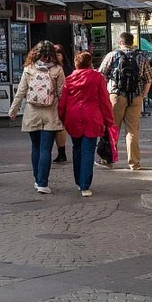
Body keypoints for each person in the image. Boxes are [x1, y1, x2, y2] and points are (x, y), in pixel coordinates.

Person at [8, 40, 65, 194]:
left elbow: (21, 91)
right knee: (46, 149)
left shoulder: (29, 69)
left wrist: (13, 110)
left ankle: (36, 178)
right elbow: (61, 94)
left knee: (36, 147)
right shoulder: (57, 70)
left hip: (31, 113)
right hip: (51, 113)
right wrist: (64, 113)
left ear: (36, 53)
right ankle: (42, 182)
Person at [58, 52, 115, 197]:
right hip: (92, 117)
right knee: (88, 151)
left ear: (76, 63)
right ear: (90, 63)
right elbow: (104, 100)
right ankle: (85, 184)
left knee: (77, 149)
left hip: (73, 117)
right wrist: (109, 120)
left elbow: (63, 101)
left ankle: (78, 181)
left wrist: (62, 118)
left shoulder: (69, 79)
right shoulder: (97, 78)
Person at [99, 32, 152, 171]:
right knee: (133, 131)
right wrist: (143, 94)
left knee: (113, 128)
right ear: (132, 42)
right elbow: (149, 79)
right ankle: (134, 163)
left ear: (120, 42)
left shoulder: (112, 55)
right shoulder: (141, 57)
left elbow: (101, 74)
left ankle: (109, 159)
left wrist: (107, 92)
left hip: (116, 95)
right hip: (135, 96)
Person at [52, 43, 73, 163]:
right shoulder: (50, 68)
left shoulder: (66, 69)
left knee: (60, 128)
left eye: (58, 54)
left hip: (64, 101)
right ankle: (60, 152)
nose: (56, 56)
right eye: (54, 54)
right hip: (51, 101)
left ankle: (62, 152)